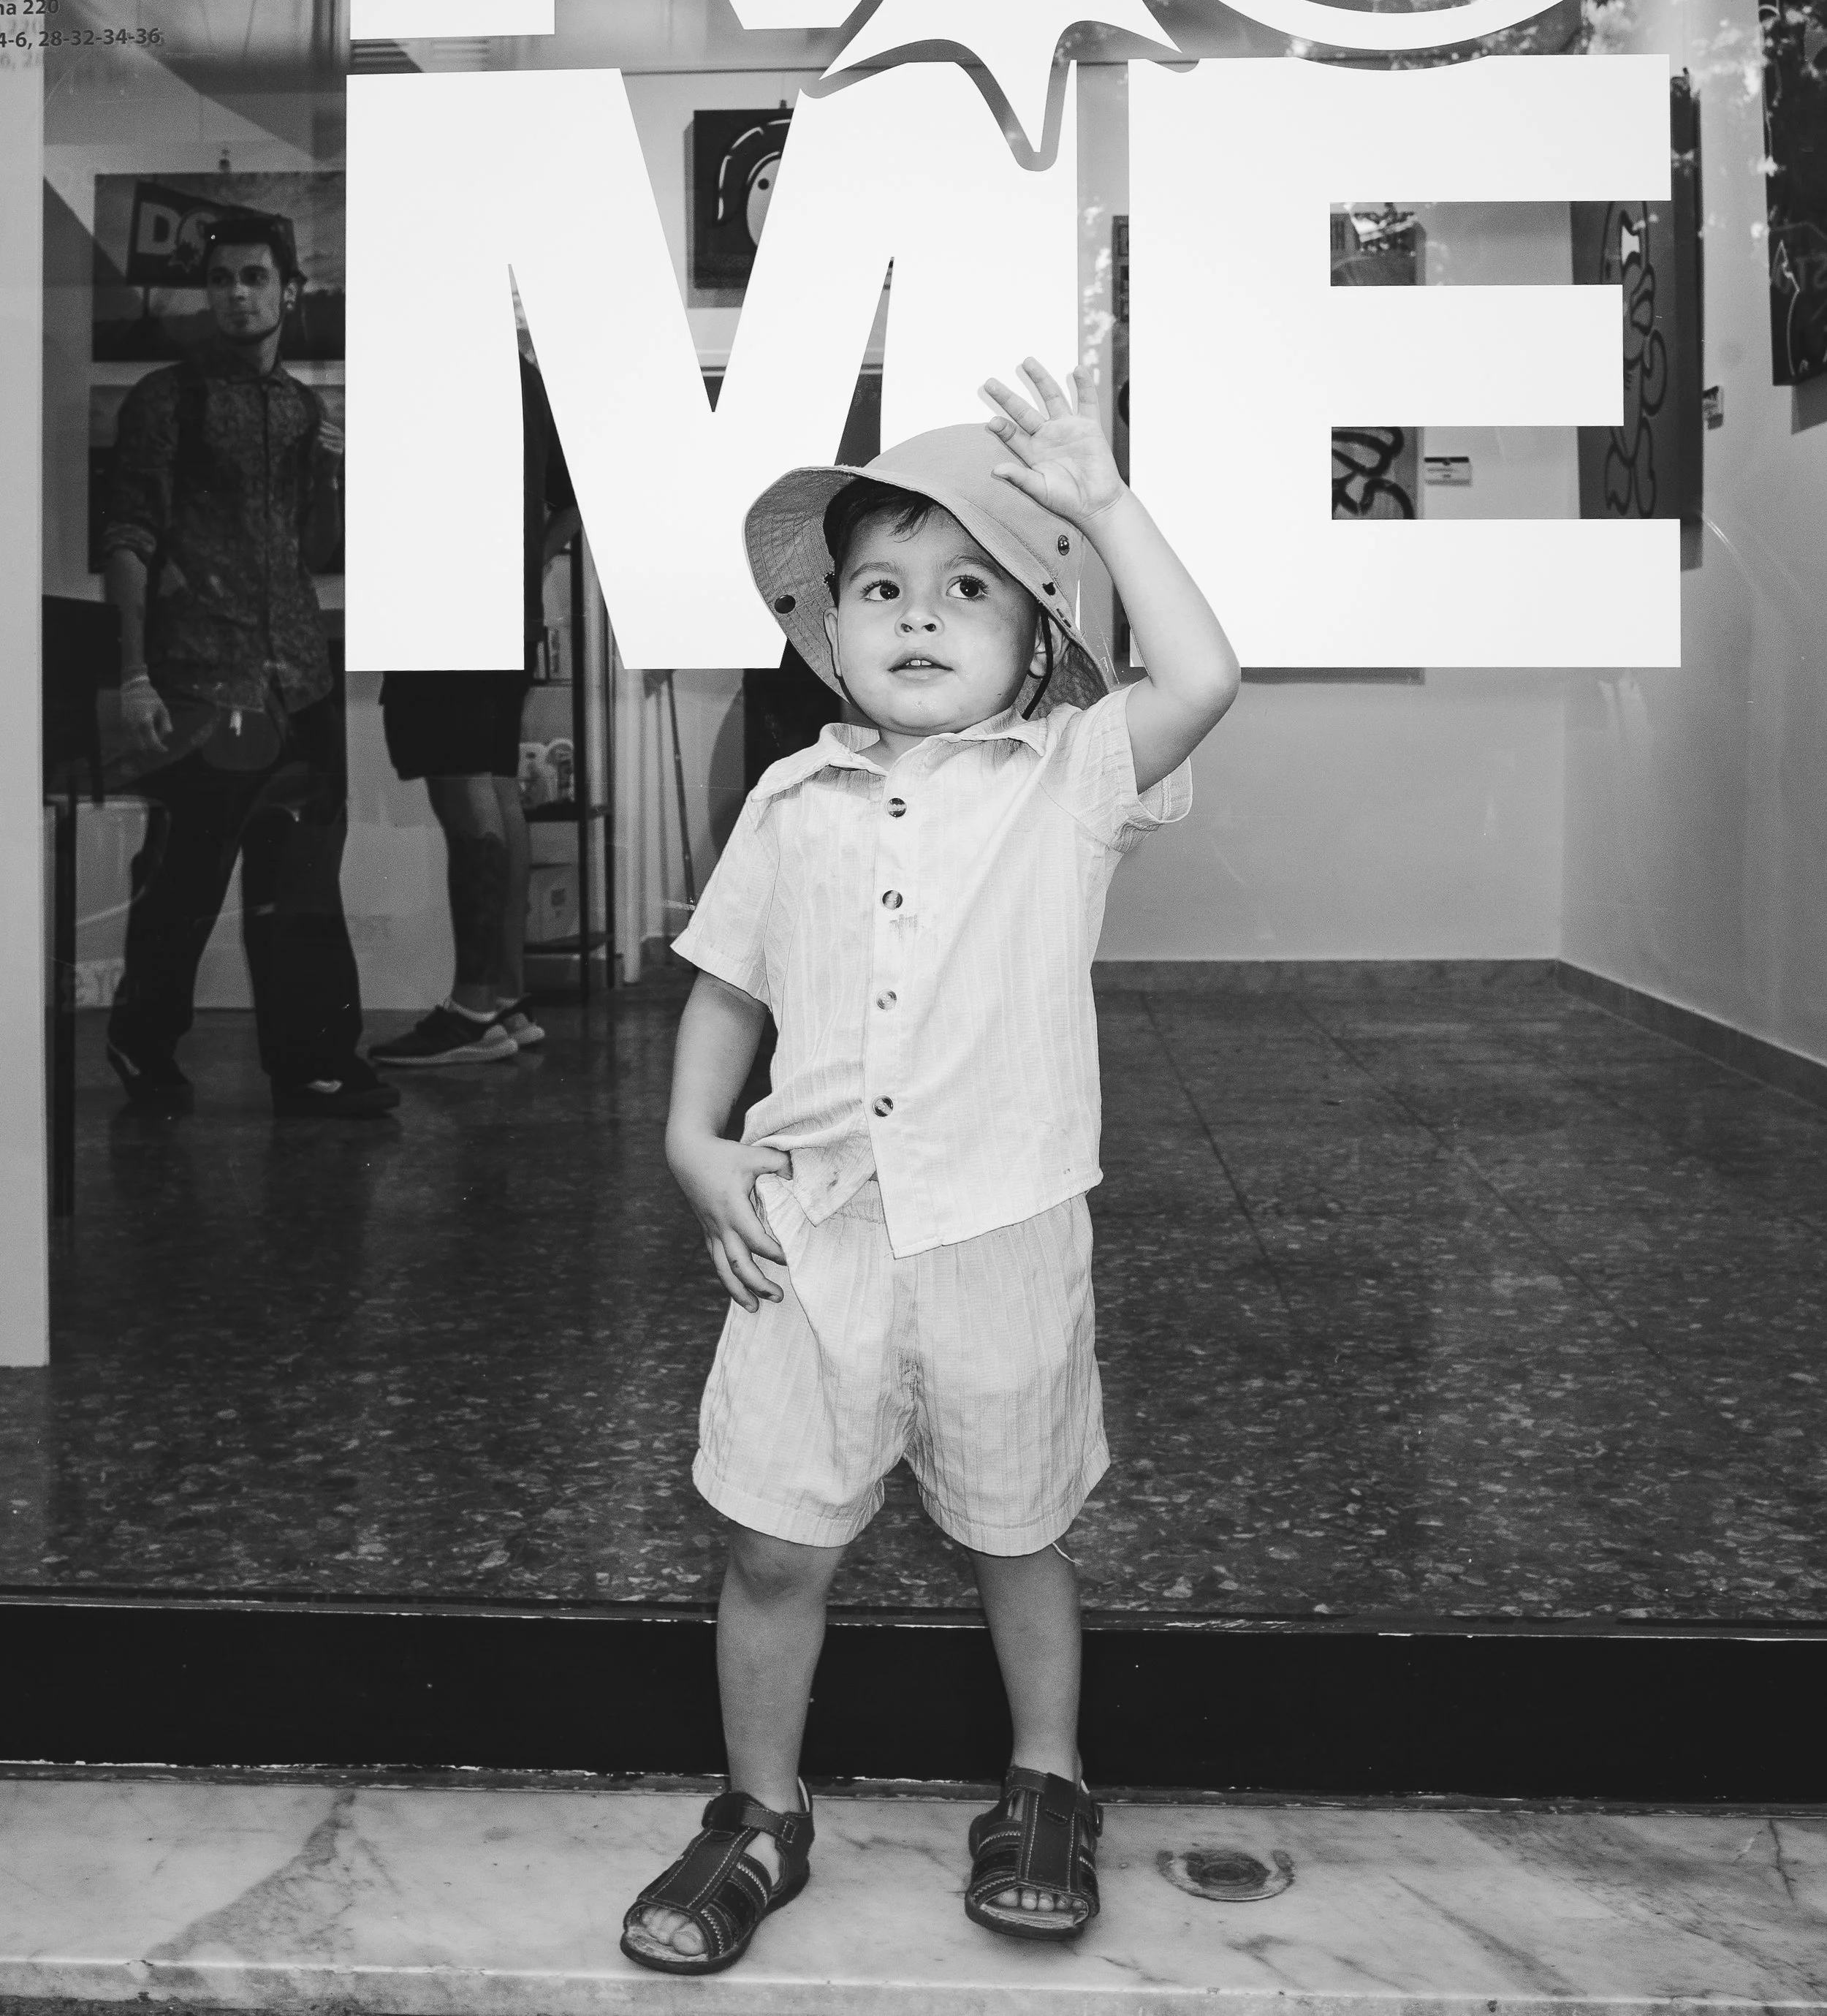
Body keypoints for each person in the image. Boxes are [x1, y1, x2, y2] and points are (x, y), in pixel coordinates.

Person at [620, 357, 1239, 1973]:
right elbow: (728, 985)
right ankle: (760, 1813)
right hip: (812, 1231)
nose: (917, 613)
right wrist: (692, 1142)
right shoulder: (789, 798)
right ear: (830, 630)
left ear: (1036, 644)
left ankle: (1047, 1781)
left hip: (1000, 1234)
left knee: (1014, 1530)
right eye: (882, 586)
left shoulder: (1070, 780)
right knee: (774, 1542)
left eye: (970, 587)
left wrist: (1105, 504)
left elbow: (1203, 673)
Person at [101, 213, 394, 1119]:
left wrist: (340, 473)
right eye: (222, 279)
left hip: (298, 677)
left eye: (254, 278)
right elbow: (128, 537)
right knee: (184, 882)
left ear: (288, 291)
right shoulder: (166, 399)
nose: (236, 294)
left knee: (301, 881)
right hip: (202, 678)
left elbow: (313, 548)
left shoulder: (302, 409)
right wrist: (134, 675)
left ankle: (314, 1061)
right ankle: (142, 1039)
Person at [371, 356, 578, 1066]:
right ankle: (503, 999)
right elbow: (572, 500)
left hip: (444, 609)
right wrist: (525, 564)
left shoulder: (440, 360)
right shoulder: (518, 370)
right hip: (496, 611)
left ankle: (473, 1009)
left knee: (471, 799)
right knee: (494, 790)